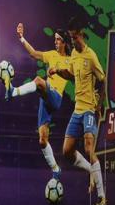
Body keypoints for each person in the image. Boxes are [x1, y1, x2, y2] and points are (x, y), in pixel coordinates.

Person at [50, 18, 107, 205]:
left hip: (89, 109)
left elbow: (103, 80)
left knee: (89, 149)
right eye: (71, 38)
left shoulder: (91, 56)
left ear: (81, 34)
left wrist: (99, 104)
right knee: (67, 151)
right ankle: (91, 170)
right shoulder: (74, 54)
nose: (73, 41)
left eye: (74, 37)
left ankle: (101, 195)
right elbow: (71, 74)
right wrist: (57, 70)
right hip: (77, 110)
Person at [5, 23, 72, 180]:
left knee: (38, 81)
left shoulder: (71, 60)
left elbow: (71, 75)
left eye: (58, 39)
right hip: (45, 98)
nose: (55, 42)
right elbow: (34, 54)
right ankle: (56, 169)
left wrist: (57, 71)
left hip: (55, 98)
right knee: (42, 140)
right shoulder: (51, 55)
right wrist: (21, 38)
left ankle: (13, 91)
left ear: (64, 42)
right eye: (54, 39)